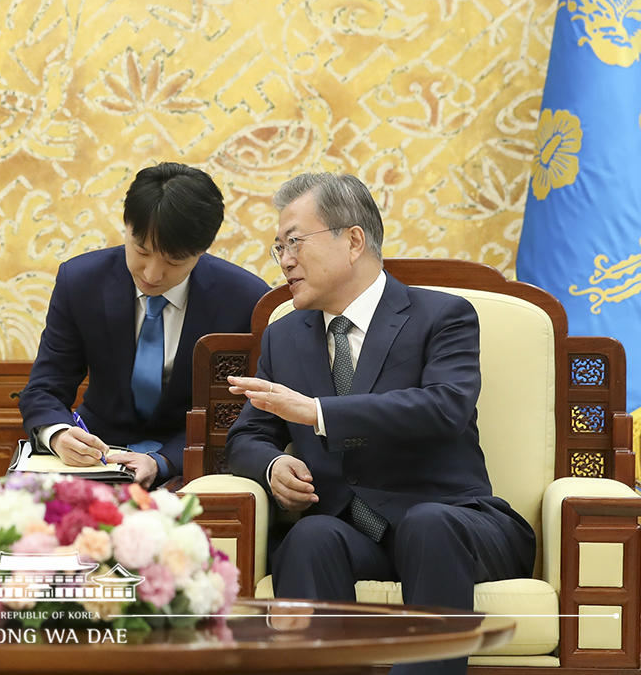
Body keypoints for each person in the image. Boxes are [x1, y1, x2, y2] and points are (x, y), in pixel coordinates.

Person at [225, 172, 535, 675]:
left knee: (428, 524)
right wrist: (274, 464)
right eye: (277, 247)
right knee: (310, 536)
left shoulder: (442, 316)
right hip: (351, 535)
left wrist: (318, 413)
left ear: (352, 240)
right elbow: (247, 436)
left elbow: (444, 407)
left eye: (295, 242)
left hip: (455, 526)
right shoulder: (284, 336)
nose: (284, 260)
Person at [19, 162, 269, 489]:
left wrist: (162, 461)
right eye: (141, 251)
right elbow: (45, 386)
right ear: (126, 225)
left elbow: (237, 412)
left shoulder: (244, 300)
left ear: (202, 250)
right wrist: (59, 434)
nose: (151, 274)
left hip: (188, 465)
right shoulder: (80, 283)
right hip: (98, 455)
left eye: (174, 262)